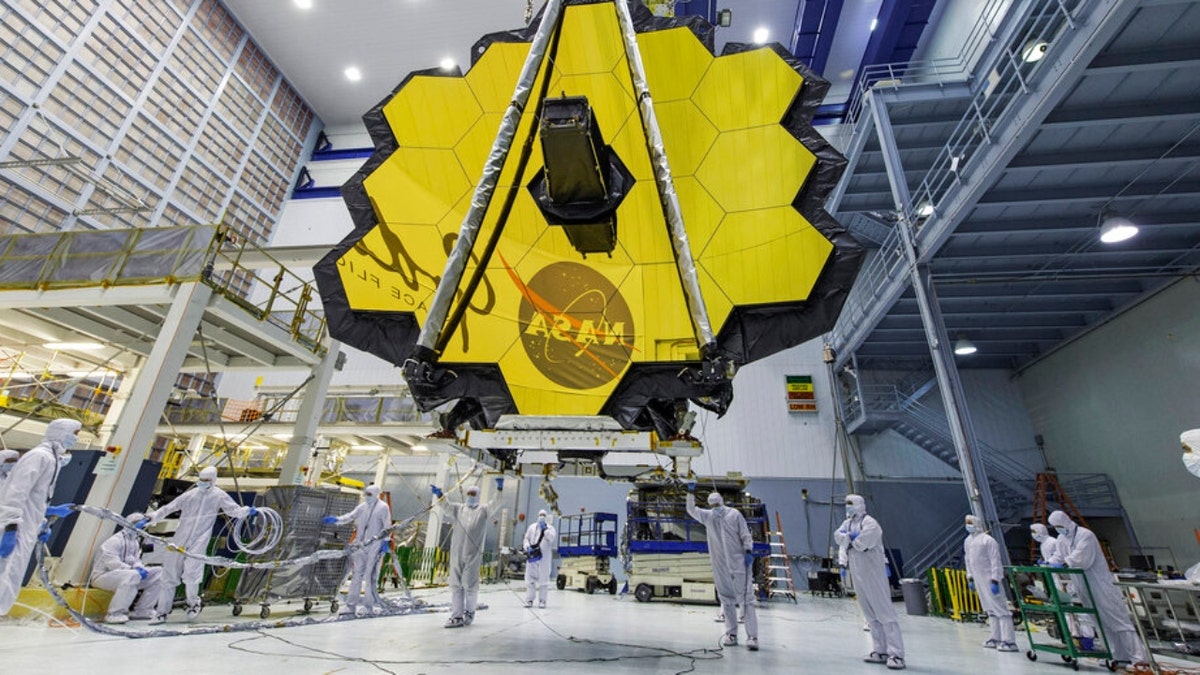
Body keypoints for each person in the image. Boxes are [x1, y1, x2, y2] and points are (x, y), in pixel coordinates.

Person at [144, 466, 253, 624]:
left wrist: (247, 511)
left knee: (192, 574)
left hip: (200, 539)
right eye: (201, 480)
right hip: (180, 538)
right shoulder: (190, 495)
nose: (203, 483)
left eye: (207, 481)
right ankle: (161, 613)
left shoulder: (218, 495)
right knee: (169, 576)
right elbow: (169, 508)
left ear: (214, 480)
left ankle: (193, 603)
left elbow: (234, 511)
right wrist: (152, 517)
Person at [0, 419, 82, 615]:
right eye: (74, 433)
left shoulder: (52, 460)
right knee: (5, 577)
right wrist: (10, 528)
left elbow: (35, 501)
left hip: (24, 529)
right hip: (14, 530)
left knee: (10, 579)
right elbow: (15, 495)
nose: (75, 439)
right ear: (61, 432)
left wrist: (43, 522)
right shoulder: (39, 457)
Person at [1048, 510, 1147, 666]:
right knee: (1100, 622)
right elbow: (1058, 556)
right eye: (1055, 527)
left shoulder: (1085, 535)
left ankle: (1138, 658)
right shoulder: (1062, 539)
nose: (1058, 529)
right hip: (1083, 585)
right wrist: (1048, 562)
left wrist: (1065, 562)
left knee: (1118, 620)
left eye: (1059, 525)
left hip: (1100, 584)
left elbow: (1082, 559)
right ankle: (1115, 655)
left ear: (1066, 521)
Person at [685, 482, 759, 652]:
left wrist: (748, 550)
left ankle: (752, 636)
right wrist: (690, 493)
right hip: (720, 564)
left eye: (717, 505)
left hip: (739, 562)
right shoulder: (709, 516)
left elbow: (745, 534)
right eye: (712, 506)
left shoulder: (734, 515)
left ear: (722, 502)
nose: (715, 508)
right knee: (726, 600)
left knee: (746, 600)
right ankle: (731, 634)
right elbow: (692, 510)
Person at [835, 494, 905, 670]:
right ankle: (879, 650)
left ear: (859, 504)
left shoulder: (871, 523)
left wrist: (849, 539)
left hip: (873, 572)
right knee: (869, 613)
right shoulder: (848, 523)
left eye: (850, 504)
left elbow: (862, 543)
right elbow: (838, 537)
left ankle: (896, 654)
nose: (848, 507)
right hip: (858, 573)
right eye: (846, 504)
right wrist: (850, 538)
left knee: (884, 612)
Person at [432, 477, 502, 628]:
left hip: (473, 554)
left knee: (470, 585)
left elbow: (495, 504)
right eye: (468, 493)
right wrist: (440, 495)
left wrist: (499, 489)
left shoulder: (483, 510)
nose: (470, 496)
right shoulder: (459, 508)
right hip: (457, 552)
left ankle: (469, 612)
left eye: (472, 493)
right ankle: (456, 616)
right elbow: (446, 507)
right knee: (456, 585)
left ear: (477, 495)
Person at [323, 484, 392, 615]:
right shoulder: (362, 507)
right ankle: (350, 605)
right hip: (360, 544)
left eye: (369, 494)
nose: (367, 497)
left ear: (376, 494)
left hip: (375, 545)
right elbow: (350, 516)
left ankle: (368, 606)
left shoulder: (383, 507)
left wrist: (385, 541)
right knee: (357, 575)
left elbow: (387, 526)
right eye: (366, 494)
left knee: (371, 576)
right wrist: (336, 520)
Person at [90, 512, 162, 624]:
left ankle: (143, 610)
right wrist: (133, 570)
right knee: (132, 575)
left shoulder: (134, 542)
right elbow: (113, 564)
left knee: (160, 573)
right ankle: (115, 613)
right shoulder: (114, 541)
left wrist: (140, 568)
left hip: (127, 576)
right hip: (102, 577)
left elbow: (136, 560)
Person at [963, 514, 1018, 652]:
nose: (968, 526)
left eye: (970, 523)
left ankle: (1009, 641)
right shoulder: (968, 541)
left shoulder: (988, 540)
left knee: (1001, 610)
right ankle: (995, 637)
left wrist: (995, 579)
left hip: (990, 579)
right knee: (990, 609)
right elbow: (968, 560)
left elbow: (995, 561)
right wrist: (970, 578)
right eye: (966, 523)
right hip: (978, 579)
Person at [522, 509, 556, 609]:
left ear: (546, 517)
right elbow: (526, 538)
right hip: (533, 556)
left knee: (543, 580)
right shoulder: (532, 527)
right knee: (530, 579)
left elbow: (551, 538)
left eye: (543, 515)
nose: (541, 516)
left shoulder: (550, 528)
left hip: (544, 558)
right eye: (540, 515)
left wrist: (545, 529)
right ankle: (529, 600)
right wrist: (527, 546)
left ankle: (542, 601)